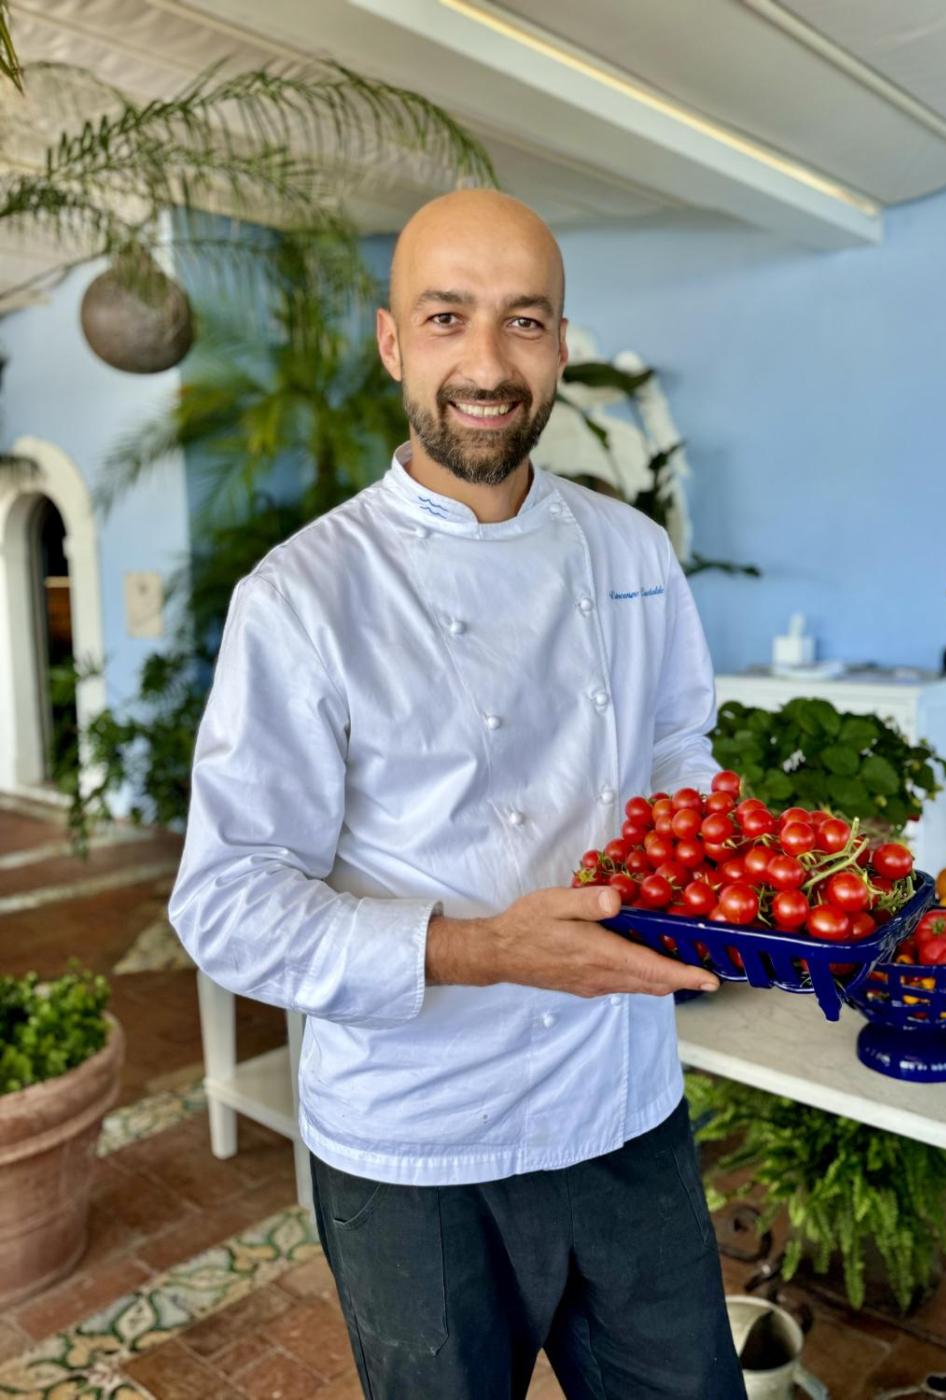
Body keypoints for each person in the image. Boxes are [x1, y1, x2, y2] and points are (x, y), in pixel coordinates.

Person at [169, 188, 746, 1400]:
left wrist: (723, 906)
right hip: (415, 1144)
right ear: (392, 343)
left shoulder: (631, 553)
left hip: (625, 1102)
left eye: (523, 320)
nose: (487, 363)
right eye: (447, 317)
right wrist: (486, 948)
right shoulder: (302, 597)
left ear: (561, 343)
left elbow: (678, 758)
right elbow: (227, 901)